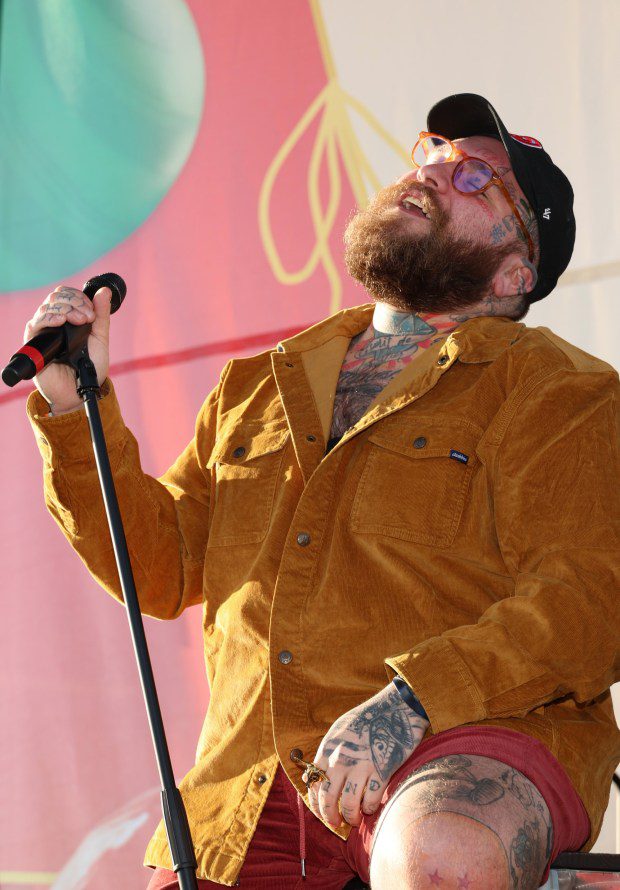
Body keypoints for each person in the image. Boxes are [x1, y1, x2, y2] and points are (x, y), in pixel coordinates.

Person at [25, 93, 619, 889]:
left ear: (516, 268)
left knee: (439, 855)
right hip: (254, 783)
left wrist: (413, 701)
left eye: (476, 176)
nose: (436, 171)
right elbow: (159, 570)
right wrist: (76, 406)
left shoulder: (562, 391)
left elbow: (588, 599)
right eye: (432, 151)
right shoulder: (256, 385)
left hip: (472, 736)